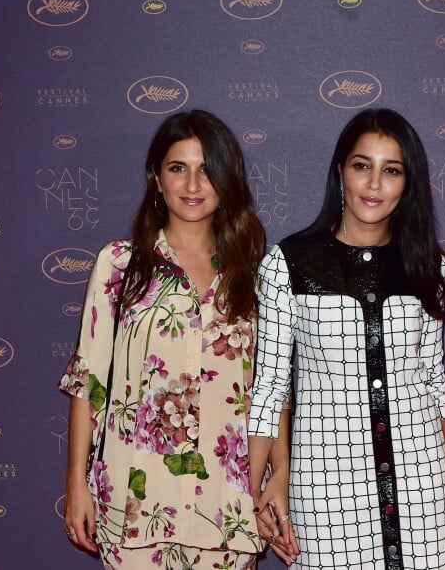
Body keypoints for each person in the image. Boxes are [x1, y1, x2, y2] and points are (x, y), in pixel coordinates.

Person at [59, 109, 290, 569]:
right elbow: (89, 384)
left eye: (207, 170)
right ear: (156, 178)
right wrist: (76, 484)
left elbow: (271, 390)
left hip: (227, 510)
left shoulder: (255, 279)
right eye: (178, 168)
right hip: (134, 509)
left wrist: (278, 473)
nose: (192, 185)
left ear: (227, 181)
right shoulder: (120, 266)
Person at [248, 108, 445, 569]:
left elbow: (434, 386)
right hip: (325, 487)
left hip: (421, 488)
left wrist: (443, 494)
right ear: (340, 171)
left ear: (408, 185)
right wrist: (259, 488)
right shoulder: (289, 265)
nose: (374, 184)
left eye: (392, 170)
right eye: (362, 165)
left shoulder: (428, 266)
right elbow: (270, 388)